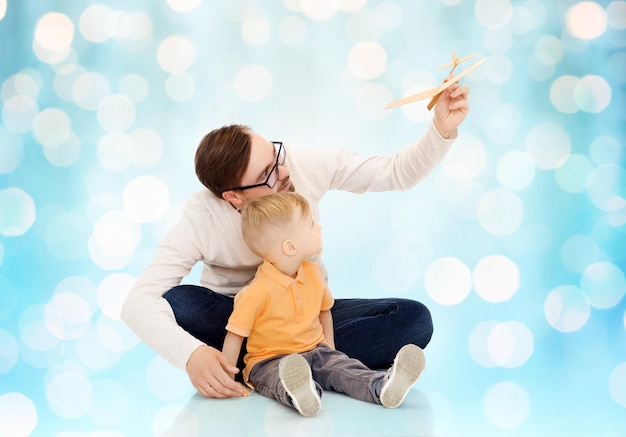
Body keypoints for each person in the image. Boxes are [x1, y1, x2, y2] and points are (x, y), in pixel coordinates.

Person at [121, 81, 470, 399]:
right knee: (179, 302)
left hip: (305, 321)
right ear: (233, 197)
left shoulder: (300, 164)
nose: (284, 172)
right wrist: (191, 355)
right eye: (266, 174)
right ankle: (294, 366)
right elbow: (137, 302)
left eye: (276, 156)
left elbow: (394, 172)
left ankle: (278, 368)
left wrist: (440, 129)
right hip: (238, 321)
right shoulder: (202, 217)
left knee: (413, 320)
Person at [222, 192, 426, 416]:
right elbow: (235, 336)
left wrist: (330, 349)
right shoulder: (256, 292)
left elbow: (324, 312)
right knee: (278, 377)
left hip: (316, 350)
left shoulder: (313, 273)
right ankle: (302, 392)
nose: (318, 227)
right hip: (268, 360)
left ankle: (381, 386)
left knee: (344, 368)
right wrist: (228, 379)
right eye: (310, 224)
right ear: (290, 247)